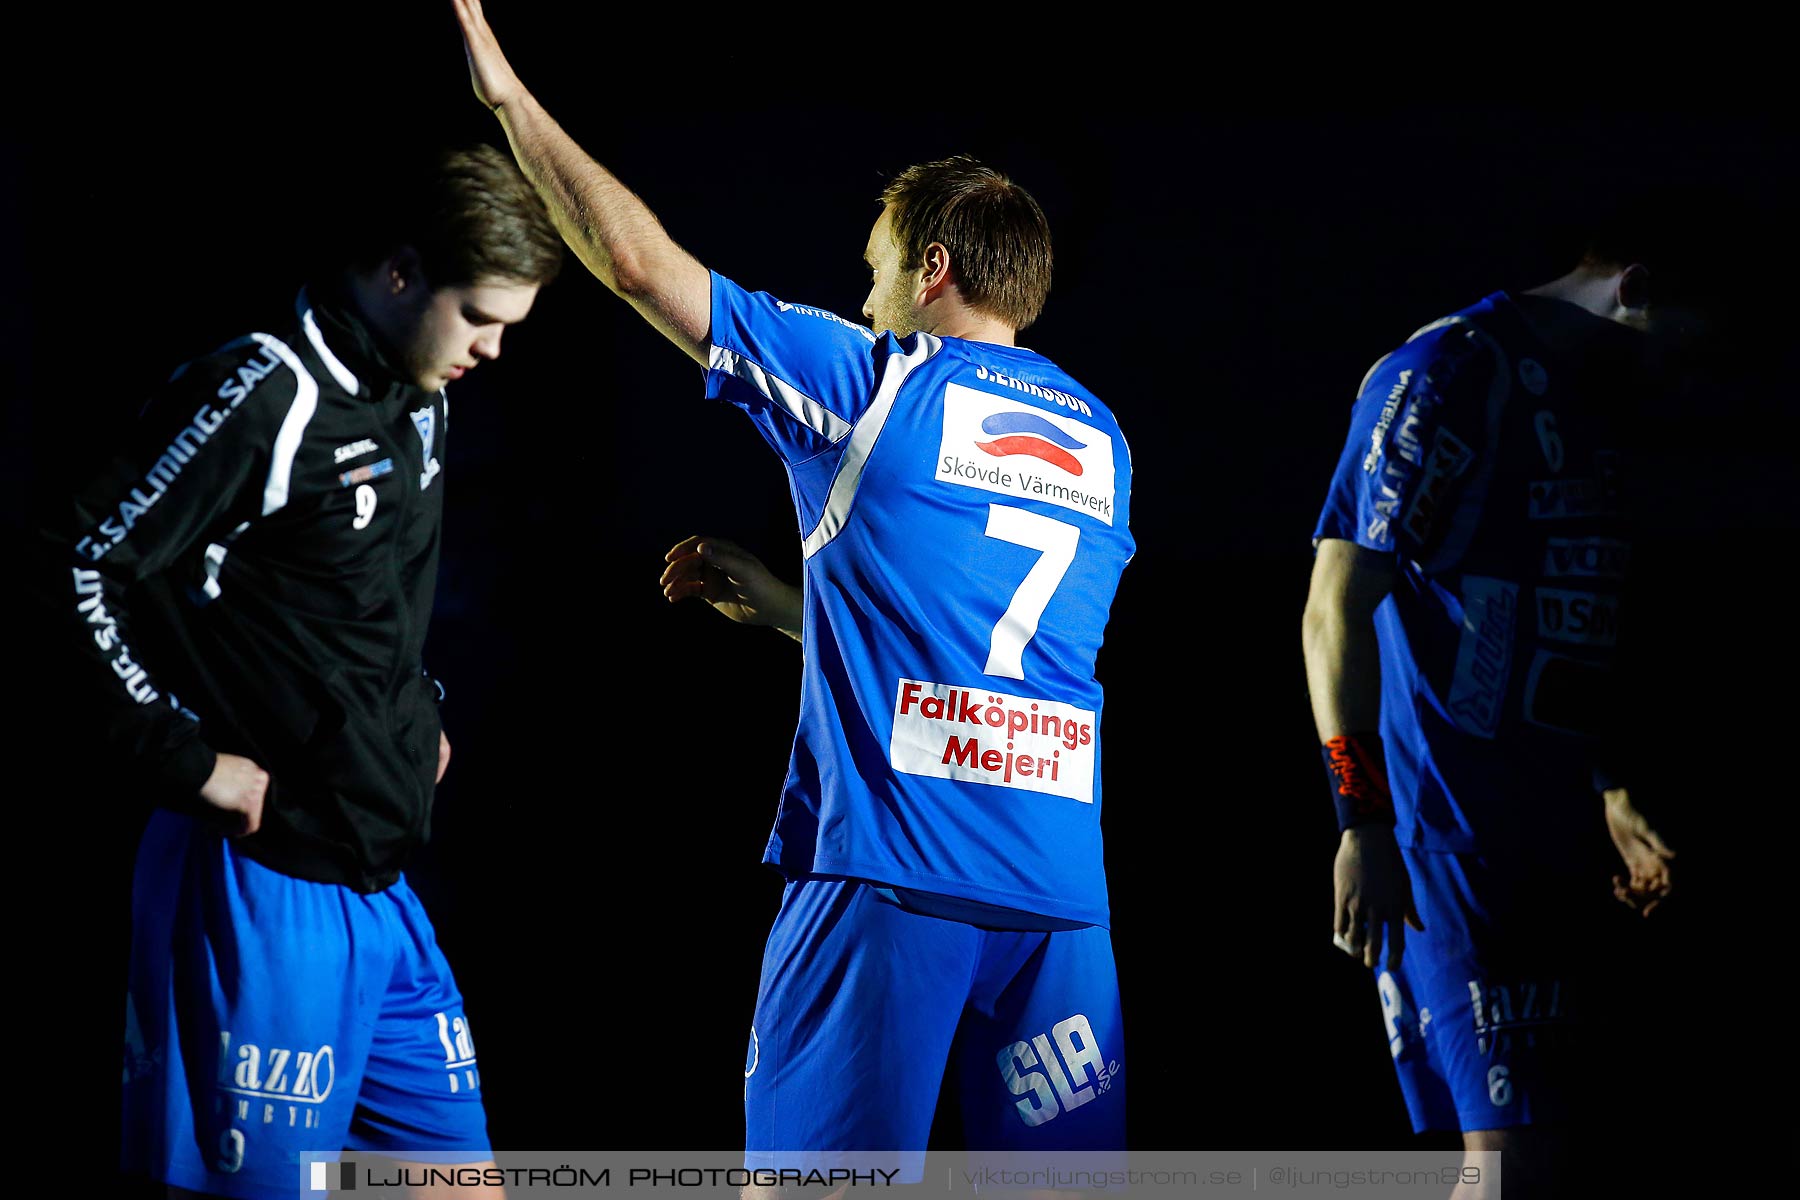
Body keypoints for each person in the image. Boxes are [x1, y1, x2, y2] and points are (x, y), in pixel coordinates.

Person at [449, 0, 1134, 1178]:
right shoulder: (1105, 441)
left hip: (890, 883)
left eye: (873, 270)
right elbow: (976, 643)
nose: (863, 295)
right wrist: (788, 612)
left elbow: (637, 266)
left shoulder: (874, 380)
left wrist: (511, 104)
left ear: (931, 269)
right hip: (1059, 904)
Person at [67, 143, 563, 1198]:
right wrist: (185, 760)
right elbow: (79, 566)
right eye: (480, 315)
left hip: (380, 881)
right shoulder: (264, 390)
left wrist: (411, 708)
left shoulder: (422, 391)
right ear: (398, 274)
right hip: (262, 881)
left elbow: (362, 599)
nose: (495, 348)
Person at [1301, 232, 1681, 1197]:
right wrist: (1364, 822)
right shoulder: (1444, 372)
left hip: (1555, 836)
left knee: (1559, 1150)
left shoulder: (1601, 405)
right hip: (1451, 837)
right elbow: (1332, 604)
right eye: (1689, 331)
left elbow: (1564, 601)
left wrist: (1611, 789)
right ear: (1633, 287)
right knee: (1508, 1163)